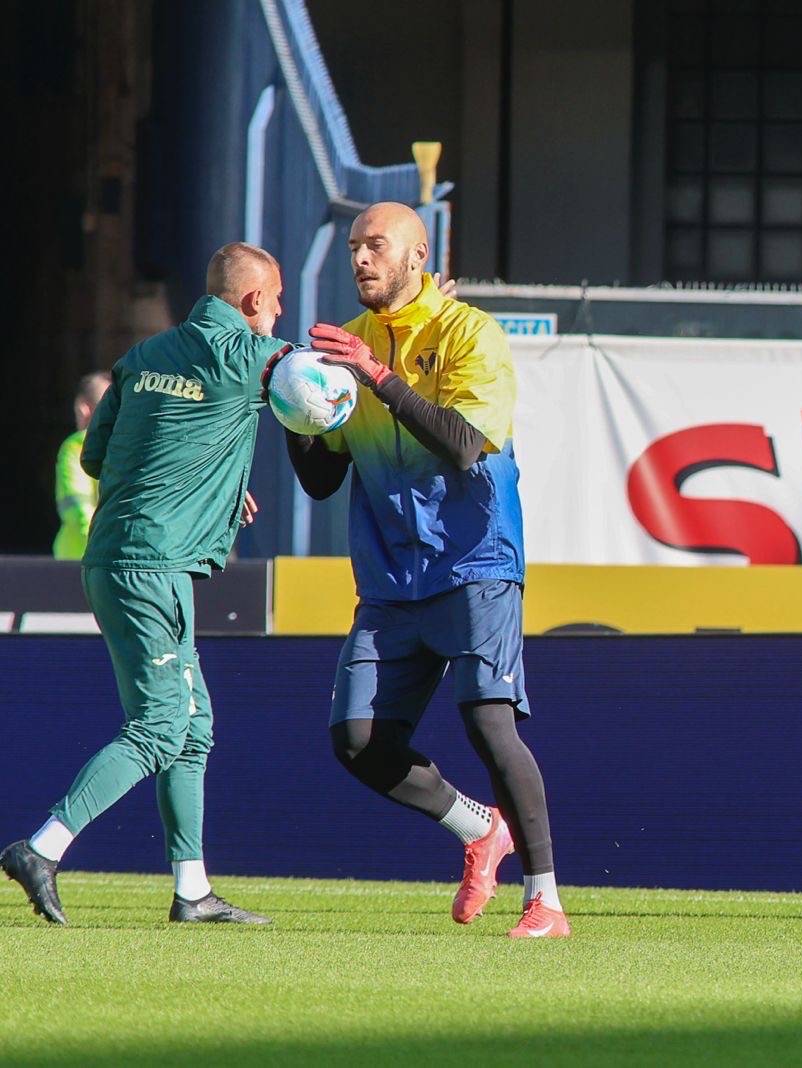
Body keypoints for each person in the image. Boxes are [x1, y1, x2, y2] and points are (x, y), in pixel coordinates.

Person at [284, 201, 568, 939]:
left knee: (488, 725)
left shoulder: (470, 333)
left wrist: (379, 377)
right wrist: (293, 412)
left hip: (476, 561)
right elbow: (321, 480)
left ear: (418, 254)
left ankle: (547, 901)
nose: (360, 258)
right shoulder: (349, 344)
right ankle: (479, 829)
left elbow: (467, 444)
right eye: (354, 247)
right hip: (391, 578)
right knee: (357, 742)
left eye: (376, 244)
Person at [2, 242, 290, 925]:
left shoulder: (141, 358)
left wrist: (211, 489)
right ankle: (42, 848)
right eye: (276, 301)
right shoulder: (250, 355)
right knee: (161, 726)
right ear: (253, 301)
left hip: (117, 559)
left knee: (193, 727)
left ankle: (192, 890)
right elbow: (326, 376)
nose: (279, 313)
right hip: (153, 566)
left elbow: (101, 457)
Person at [52, 372, 112, 560]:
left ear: (82, 409)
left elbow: (77, 508)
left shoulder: (77, 445)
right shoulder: (130, 446)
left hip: (79, 560)